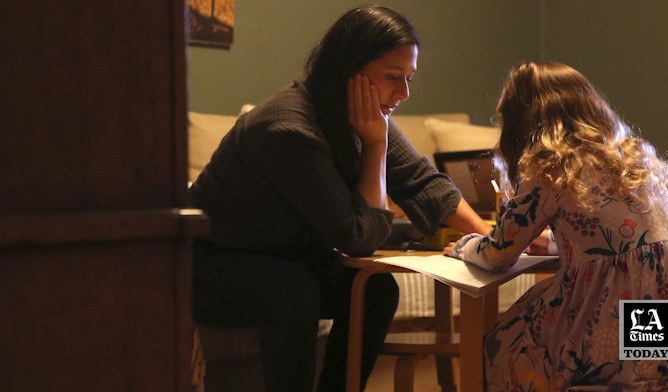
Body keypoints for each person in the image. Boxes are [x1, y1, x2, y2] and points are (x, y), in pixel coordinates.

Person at [189, 5, 491, 392]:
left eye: (409, 78)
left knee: (376, 289)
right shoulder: (287, 128)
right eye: (394, 78)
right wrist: (376, 146)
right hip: (208, 263)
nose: (404, 94)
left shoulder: (360, 110)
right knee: (293, 290)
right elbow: (356, 236)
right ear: (349, 71)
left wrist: (494, 245)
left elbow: (423, 182)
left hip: (278, 253)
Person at [445, 61, 668, 390]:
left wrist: (464, 246)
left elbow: (498, 254)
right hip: (666, 331)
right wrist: (552, 244)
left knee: (503, 341)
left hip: (610, 326)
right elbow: (626, 240)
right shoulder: (636, 158)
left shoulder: (550, 166)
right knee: (636, 370)